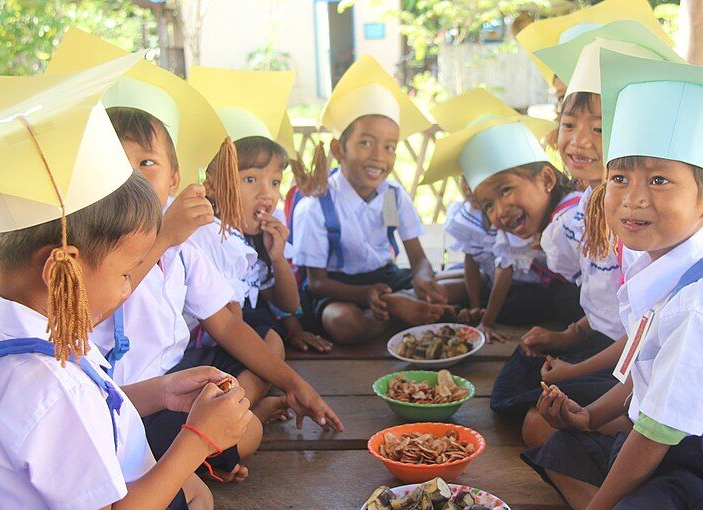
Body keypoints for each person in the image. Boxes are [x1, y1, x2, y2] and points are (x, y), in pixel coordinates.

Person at [49, 30, 343, 484]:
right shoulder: (82, 242)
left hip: (176, 379)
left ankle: (219, 436)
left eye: (146, 163)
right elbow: (79, 320)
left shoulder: (183, 244)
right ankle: (206, 451)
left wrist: (296, 384)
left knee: (258, 353)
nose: (131, 178)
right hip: (116, 402)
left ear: (174, 178)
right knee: (248, 434)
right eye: (114, 161)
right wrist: (162, 238)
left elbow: (225, 324)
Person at [0, 57, 251, 510]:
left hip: (111, 481)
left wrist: (160, 392)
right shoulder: (47, 384)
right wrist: (197, 439)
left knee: (196, 495)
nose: (130, 286)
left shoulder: (11, 326)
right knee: (195, 500)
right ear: (59, 271)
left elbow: (51, 427)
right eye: (128, 272)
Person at [523, 51, 703, 510]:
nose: (633, 198)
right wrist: (586, 419)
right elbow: (645, 380)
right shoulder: (652, 261)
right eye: (620, 177)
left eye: (660, 180)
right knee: (559, 444)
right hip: (678, 446)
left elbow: (653, 436)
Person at [491, 18, 680, 436]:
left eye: (599, 127)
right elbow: (602, 309)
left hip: (641, 362)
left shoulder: (642, 225)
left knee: (537, 421)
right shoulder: (588, 207)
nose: (579, 141)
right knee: (509, 391)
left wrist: (574, 366)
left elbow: (640, 336)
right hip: (602, 343)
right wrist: (565, 338)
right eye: (568, 123)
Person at [292, 54, 449, 345]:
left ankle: (402, 308)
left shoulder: (390, 196)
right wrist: (367, 295)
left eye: (389, 147)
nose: (379, 155)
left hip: (386, 277)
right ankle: (402, 311)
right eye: (366, 143)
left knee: (450, 287)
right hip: (339, 289)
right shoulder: (318, 206)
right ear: (339, 150)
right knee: (342, 323)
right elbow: (316, 282)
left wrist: (424, 278)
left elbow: (418, 260)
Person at [186, 66, 331, 355]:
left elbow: (288, 304)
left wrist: (277, 258)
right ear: (211, 186)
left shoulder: (258, 231)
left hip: (252, 324)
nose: (267, 192)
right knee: (269, 347)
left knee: (273, 342)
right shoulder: (207, 236)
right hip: (213, 336)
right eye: (250, 179)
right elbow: (229, 322)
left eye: (275, 181)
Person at [425, 88, 584, 343]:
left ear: (546, 179)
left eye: (506, 190)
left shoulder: (572, 221)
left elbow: (605, 295)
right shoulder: (533, 222)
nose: (499, 211)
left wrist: (572, 336)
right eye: (487, 205)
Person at [442, 178, 498, 324]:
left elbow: (506, 270)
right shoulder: (470, 214)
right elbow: (471, 260)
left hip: (516, 284)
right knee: (435, 283)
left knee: (440, 293)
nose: (468, 187)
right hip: (488, 273)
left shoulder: (508, 216)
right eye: (465, 179)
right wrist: (475, 306)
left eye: (476, 178)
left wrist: (485, 321)